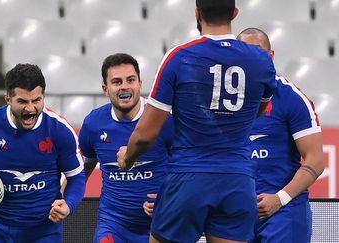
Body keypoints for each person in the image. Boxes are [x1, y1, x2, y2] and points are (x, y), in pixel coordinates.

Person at [116, 0, 279, 242]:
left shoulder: (180, 57)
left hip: (188, 178)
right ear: (235, 13)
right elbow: (258, 109)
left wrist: (127, 157)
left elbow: (146, 133)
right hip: (237, 180)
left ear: (197, 12)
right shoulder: (262, 60)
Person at [0, 63, 86, 242]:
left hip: (45, 232)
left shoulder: (60, 130)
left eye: (36, 100)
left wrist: (69, 205)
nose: (30, 109)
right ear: (7, 98)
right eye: (22, 101)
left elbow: (76, 177)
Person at [237, 27, 324, 243]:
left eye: (257, 51)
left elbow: (316, 160)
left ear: (271, 56)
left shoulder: (292, 98)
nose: (251, 59)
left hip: (284, 214)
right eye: (244, 53)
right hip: (236, 214)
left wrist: (279, 199)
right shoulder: (224, 100)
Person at [78, 53, 174, 243]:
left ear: (140, 83)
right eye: (117, 81)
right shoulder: (93, 124)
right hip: (114, 223)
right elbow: (81, 172)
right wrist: (59, 200)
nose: (124, 86)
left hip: (160, 222)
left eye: (130, 80)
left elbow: (186, 169)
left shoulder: (164, 120)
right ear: (105, 89)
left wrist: (168, 200)